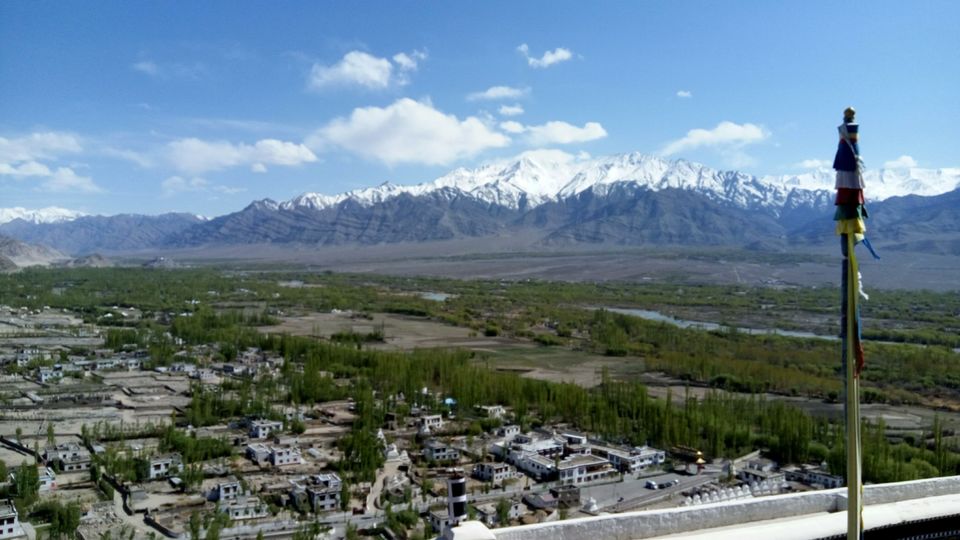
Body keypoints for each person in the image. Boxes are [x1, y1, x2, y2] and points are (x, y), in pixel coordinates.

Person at [833, 107, 867, 241]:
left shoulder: (843, 129)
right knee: (850, 198)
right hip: (851, 166)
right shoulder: (850, 129)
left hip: (845, 165)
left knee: (849, 200)